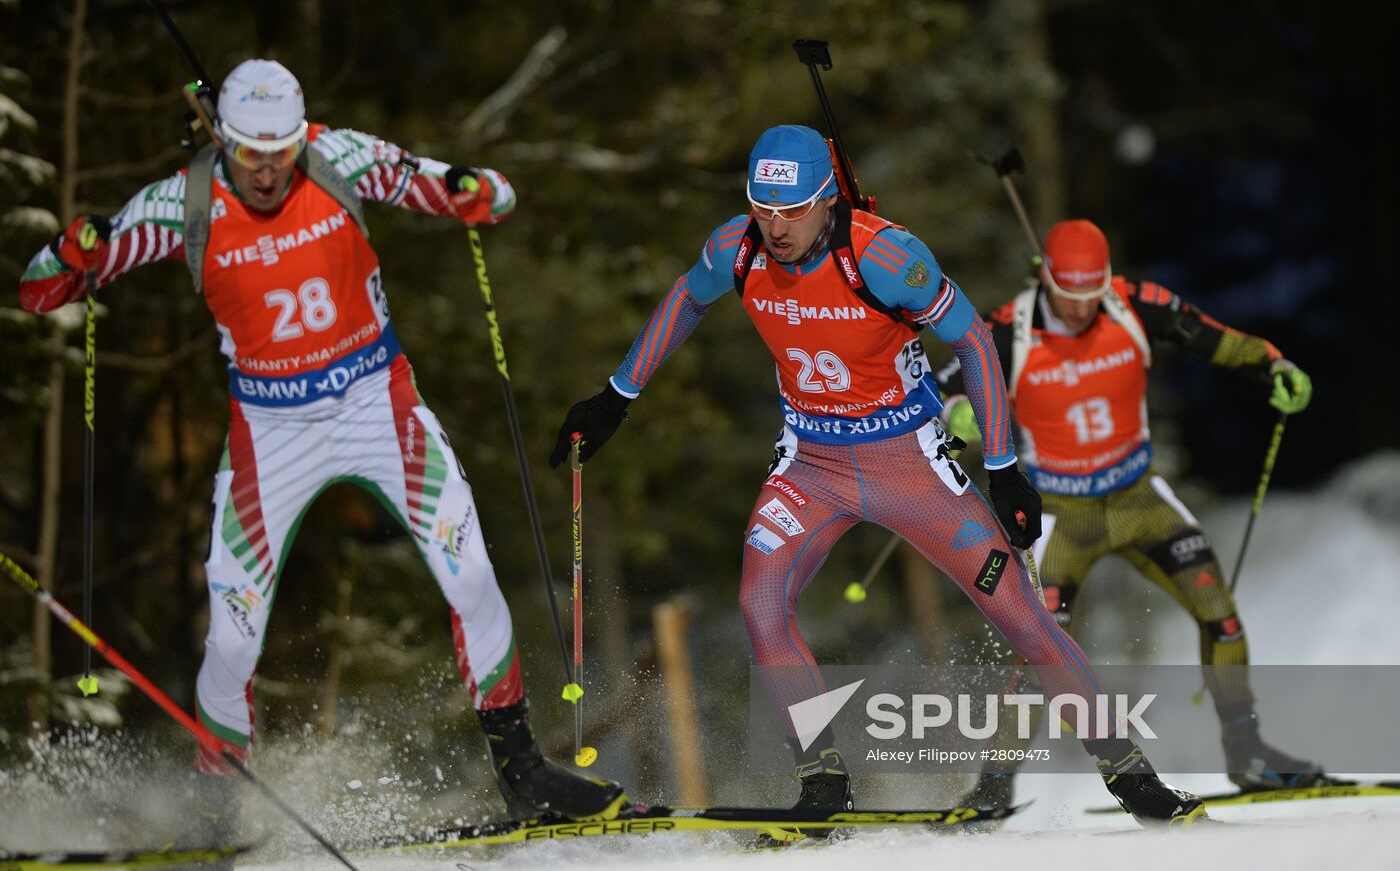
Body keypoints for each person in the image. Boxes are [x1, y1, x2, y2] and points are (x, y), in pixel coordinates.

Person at [19, 59, 627, 848]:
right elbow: (39, 290)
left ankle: (523, 771)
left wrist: (474, 190)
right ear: (219, 137)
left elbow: (488, 194)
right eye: (249, 151)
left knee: (470, 573)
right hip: (271, 433)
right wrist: (76, 249)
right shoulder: (181, 202)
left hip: (379, 404)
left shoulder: (340, 157)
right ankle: (214, 810)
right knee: (234, 637)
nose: (268, 168)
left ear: (301, 134)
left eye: (281, 149)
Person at [550, 125, 1206, 829]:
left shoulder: (888, 258)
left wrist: (1004, 466)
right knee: (760, 605)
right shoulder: (736, 249)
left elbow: (975, 340)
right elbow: (687, 298)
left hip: (910, 468)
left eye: (793, 210)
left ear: (828, 199)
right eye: (763, 208)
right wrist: (617, 394)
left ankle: (1129, 775)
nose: (775, 227)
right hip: (810, 467)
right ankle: (823, 781)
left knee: (1023, 616)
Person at [936, 218, 1328, 809]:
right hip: (1059, 515)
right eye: (1069, 297)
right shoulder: (1006, 329)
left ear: (1107, 281)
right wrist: (958, 411)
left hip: (1137, 498)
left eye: (1092, 296)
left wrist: (1271, 364)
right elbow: (942, 385)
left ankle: (1248, 754)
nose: (1080, 310)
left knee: (1218, 611)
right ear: (1045, 278)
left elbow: (1214, 337)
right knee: (1038, 646)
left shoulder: (1135, 304)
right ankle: (992, 786)